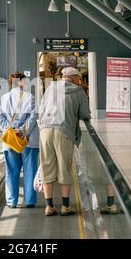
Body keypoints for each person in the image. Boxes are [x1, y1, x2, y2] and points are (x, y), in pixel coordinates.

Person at [38, 67, 91, 216]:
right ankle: (65, 206)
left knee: (46, 166)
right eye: (78, 78)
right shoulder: (79, 91)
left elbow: (41, 108)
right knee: (64, 167)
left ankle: (49, 206)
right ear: (74, 78)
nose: (79, 81)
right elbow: (85, 114)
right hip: (64, 132)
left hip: (45, 130)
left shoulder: (50, 89)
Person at [0, 72, 39, 209]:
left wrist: (10, 131)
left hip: (10, 141)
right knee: (30, 170)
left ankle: (11, 201)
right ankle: (29, 200)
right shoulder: (30, 97)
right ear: (21, 82)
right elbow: (33, 117)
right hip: (29, 140)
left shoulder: (3, 98)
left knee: (11, 171)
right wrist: (22, 130)